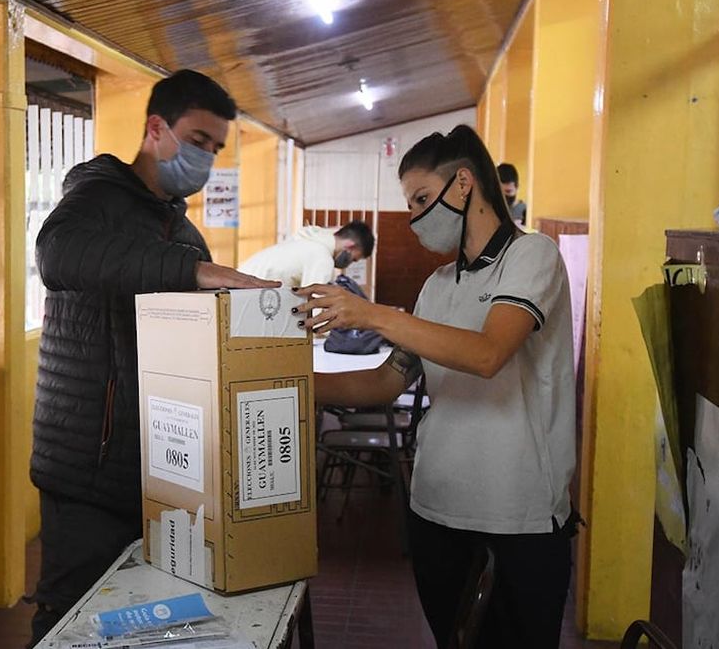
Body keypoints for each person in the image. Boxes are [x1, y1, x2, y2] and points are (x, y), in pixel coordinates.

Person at [294, 125, 577, 649]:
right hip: (436, 508)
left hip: (517, 516)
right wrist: (295, 385)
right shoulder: (437, 286)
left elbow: (488, 353)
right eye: (410, 204)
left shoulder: (532, 256)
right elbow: (386, 380)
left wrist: (373, 314)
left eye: (423, 199)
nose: (417, 218)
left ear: (463, 184)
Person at [28, 69, 277, 645]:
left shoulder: (183, 232)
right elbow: (58, 253)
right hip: (87, 466)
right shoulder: (98, 197)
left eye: (215, 148)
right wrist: (197, 272)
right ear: (156, 129)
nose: (206, 158)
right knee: (70, 621)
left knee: (146, 621)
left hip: (160, 470)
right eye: (197, 141)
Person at [237, 220, 374, 288]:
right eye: (354, 259)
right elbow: (315, 309)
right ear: (350, 245)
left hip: (239, 285)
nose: (349, 263)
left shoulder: (310, 238)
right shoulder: (322, 257)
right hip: (249, 293)